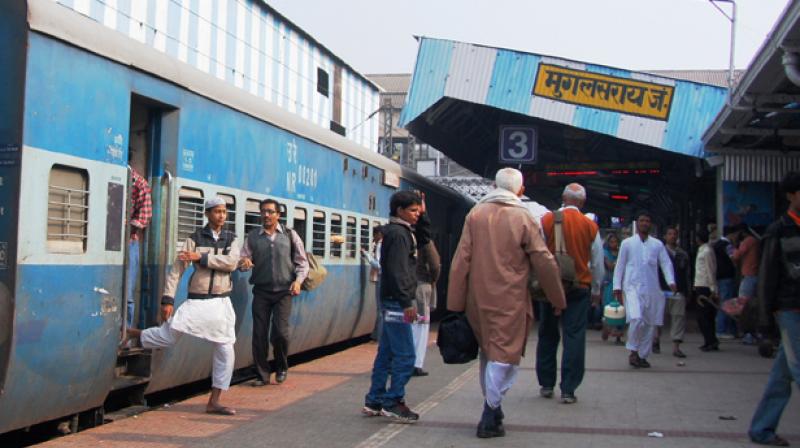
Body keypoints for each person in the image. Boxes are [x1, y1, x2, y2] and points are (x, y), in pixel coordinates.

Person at [448, 168, 566, 438]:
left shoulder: (475, 214)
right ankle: (490, 413)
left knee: (488, 355)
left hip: (477, 298)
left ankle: (494, 408)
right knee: (505, 356)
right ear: (521, 190)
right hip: (510, 299)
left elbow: (461, 259)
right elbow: (543, 260)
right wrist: (556, 297)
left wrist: (455, 304)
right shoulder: (523, 217)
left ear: (493, 186)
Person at [124, 197, 239, 415]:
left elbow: (231, 263)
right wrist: (167, 299)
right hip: (197, 301)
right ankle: (131, 333)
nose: (221, 216)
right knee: (167, 337)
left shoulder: (231, 239)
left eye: (224, 212)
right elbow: (176, 271)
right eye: (217, 212)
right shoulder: (194, 238)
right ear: (207, 214)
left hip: (221, 302)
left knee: (225, 351)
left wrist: (201, 257)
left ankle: (214, 400)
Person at [536, 183, 604, 404]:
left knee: (547, 333)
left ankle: (546, 384)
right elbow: (597, 263)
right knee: (574, 336)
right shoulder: (590, 226)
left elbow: (538, 254)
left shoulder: (546, 221)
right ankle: (568, 389)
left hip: (550, 287)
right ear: (582, 202)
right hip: (579, 287)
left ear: (563, 198)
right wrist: (596, 290)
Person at [748, 172, 800, 447]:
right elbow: (766, 278)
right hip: (789, 310)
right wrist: (764, 322)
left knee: (783, 374)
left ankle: (761, 428)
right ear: (790, 195)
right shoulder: (778, 231)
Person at [362, 191, 424, 423]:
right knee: (406, 355)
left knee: (386, 354)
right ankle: (393, 400)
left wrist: (422, 215)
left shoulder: (396, 231)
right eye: (413, 211)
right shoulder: (399, 235)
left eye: (418, 210)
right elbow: (398, 271)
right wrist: (406, 302)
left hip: (391, 299)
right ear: (400, 210)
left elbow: (423, 237)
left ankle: (375, 399)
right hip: (398, 303)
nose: (417, 215)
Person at [239, 199, 309, 386]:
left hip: (284, 291)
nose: (266, 215)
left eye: (270, 211)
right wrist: (244, 263)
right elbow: (243, 259)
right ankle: (262, 374)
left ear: (278, 215)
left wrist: (298, 281)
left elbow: (302, 262)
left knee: (280, 333)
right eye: (263, 211)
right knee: (259, 334)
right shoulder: (253, 236)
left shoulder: (290, 235)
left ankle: (282, 366)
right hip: (261, 291)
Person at [613, 211, 676, 369]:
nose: (645, 223)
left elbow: (666, 264)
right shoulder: (627, 243)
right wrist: (617, 287)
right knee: (636, 319)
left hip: (652, 288)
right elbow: (619, 266)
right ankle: (633, 350)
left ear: (651, 224)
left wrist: (671, 281)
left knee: (649, 323)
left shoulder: (657, 244)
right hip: (632, 287)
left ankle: (642, 355)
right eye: (642, 221)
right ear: (637, 223)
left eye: (647, 221)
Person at [659, 226, 691, 358]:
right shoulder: (659, 253)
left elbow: (688, 274)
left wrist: (688, 291)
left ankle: (676, 347)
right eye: (670, 234)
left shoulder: (683, 254)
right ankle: (656, 340)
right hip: (661, 290)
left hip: (678, 291)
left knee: (678, 318)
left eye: (674, 234)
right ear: (665, 237)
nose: (672, 236)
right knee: (658, 318)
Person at [126, 167, 152, 327]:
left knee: (127, 293)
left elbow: (144, 217)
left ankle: (125, 334)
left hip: (128, 241)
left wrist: (127, 226)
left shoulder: (139, 183)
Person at [410, 240, 441, 377]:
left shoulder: (404, 238)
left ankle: (405, 361)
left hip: (408, 289)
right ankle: (416, 364)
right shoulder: (426, 243)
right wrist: (432, 279)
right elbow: (435, 265)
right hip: (422, 287)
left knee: (409, 324)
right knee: (421, 327)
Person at [732, 223, 762, 345]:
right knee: (753, 307)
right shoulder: (756, 241)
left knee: (744, 307)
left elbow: (736, 256)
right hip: (755, 275)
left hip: (749, 276)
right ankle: (756, 333)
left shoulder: (748, 240)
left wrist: (733, 246)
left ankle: (748, 334)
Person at [693, 229, 720, 352]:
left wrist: (713, 289)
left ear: (698, 238)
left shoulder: (707, 251)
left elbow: (710, 270)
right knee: (704, 316)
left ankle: (711, 341)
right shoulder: (702, 250)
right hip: (700, 285)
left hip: (705, 287)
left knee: (705, 316)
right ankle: (709, 340)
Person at [714, 226, 738, 339]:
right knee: (726, 303)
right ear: (731, 234)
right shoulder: (727, 245)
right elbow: (734, 257)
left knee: (723, 302)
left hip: (719, 276)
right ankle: (721, 329)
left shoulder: (716, 245)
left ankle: (723, 328)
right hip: (727, 276)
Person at [601, 233, 624, 345]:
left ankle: (618, 336)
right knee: (609, 307)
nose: (614, 244)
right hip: (609, 283)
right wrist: (619, 264)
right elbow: (610, 266)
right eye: (611, 242)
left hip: (620, 284)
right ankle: (606, 326)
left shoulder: (620, 253)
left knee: (620, 309)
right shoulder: (605, 253)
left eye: (616, 242)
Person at [363, 227, 384, 342]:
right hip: (382, 278)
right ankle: (376, 335)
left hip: (381, 278)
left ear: (379, 234)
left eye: (374, 235)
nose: (373, 238)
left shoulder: (380, 245)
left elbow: (378, 265)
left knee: (380, 310)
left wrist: (367, 255)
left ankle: (379, 337)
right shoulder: (383, 244)